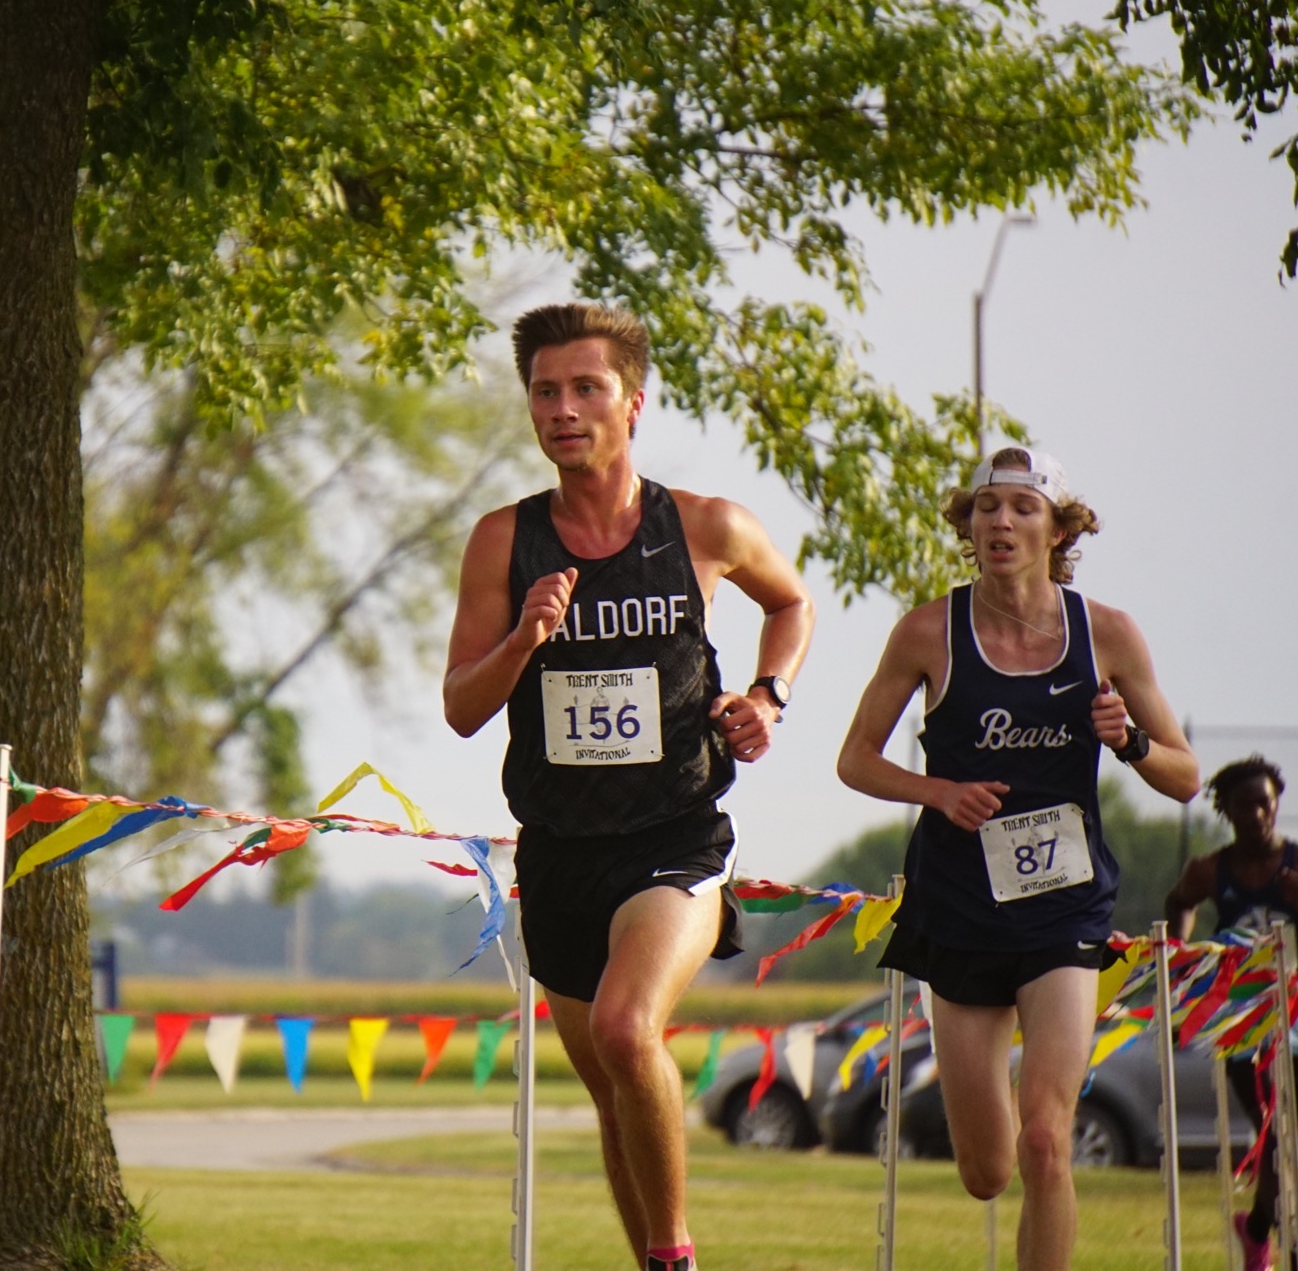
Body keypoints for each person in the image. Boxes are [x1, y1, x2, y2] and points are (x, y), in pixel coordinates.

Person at [443, 302, 813, 1271]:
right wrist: (523, 638)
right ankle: (653, 1257)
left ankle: (676, 1256)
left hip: (673, 836)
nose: (563, 409)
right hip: (559, 852)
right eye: (545, 392)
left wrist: (766, 696)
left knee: (622, 1025)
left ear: (632, 402)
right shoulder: (501, 541)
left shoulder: (703, 524)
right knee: (612, 1085)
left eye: (585, 388)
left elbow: (790, 600)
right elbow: (458, 706)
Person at [836, 447, 1199, 1271]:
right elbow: (855, 758)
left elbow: (1185, 776)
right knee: (986, 1169)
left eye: (1022, 508)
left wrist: (1132, 741)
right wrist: (938, 792)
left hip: (1063, 909)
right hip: (957, 909)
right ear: (967, 525)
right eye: (986, 507)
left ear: (1059, 528)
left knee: (1046, 1139)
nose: (1001, 522)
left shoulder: (1105, 632)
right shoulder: (929, 630)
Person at [1165, 755, 1298, 1271]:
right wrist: (1182, 953)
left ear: (1277, 806)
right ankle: (1285, 1248)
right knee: (1273, 1134)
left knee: (1287, 1136)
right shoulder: (1210, 869)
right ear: (1227, 811)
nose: (1257, 814)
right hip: (1241, 1016)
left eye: (1266, 804)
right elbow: (1179, 902)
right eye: (1245, 806)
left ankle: (1259, 1231)